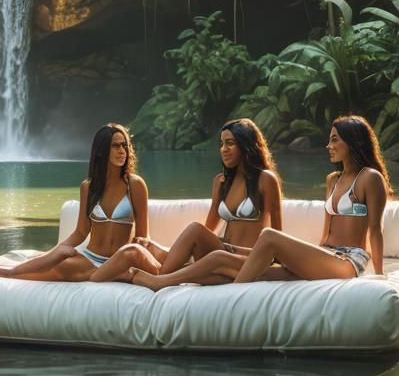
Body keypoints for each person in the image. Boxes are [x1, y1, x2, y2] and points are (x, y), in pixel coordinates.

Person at [131, 114, 390, 290]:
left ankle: (225, 293)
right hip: (327, 254)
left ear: (353, 141)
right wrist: (310, 254)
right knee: (221, 256)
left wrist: (379, 275)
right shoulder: (333, 179)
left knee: (268, 237)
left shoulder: (370, 178)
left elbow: (375, 230)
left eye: (334, 139)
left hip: (349, 261)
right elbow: (327, 233)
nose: (328, 145)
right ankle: (165, 277)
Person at [95, 117, 282, 283]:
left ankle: (159, 278)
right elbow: (208, 229)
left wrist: (246, 254)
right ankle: (159, 272)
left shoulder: (265, 179)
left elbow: (276, 237)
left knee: (194, 232)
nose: (224, 149)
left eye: (230, 143)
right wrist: (165, 249)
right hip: (221, 250)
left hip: (248, 258)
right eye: (221, 144)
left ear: (245, 144)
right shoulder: (221, 182)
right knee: (149, 245)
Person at [0, 123, 151, 280]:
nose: (122, 151)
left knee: (61, 268)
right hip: (90, 257)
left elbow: (143, 235)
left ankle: (7, 271)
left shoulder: (135, 185)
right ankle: (7, 271)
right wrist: (51, 253)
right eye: (115, 146)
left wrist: (137, 255)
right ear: (101, 150)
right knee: (59, 265)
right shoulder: (88, 187)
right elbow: (81, 233)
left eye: (124, 145)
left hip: (118, 260)